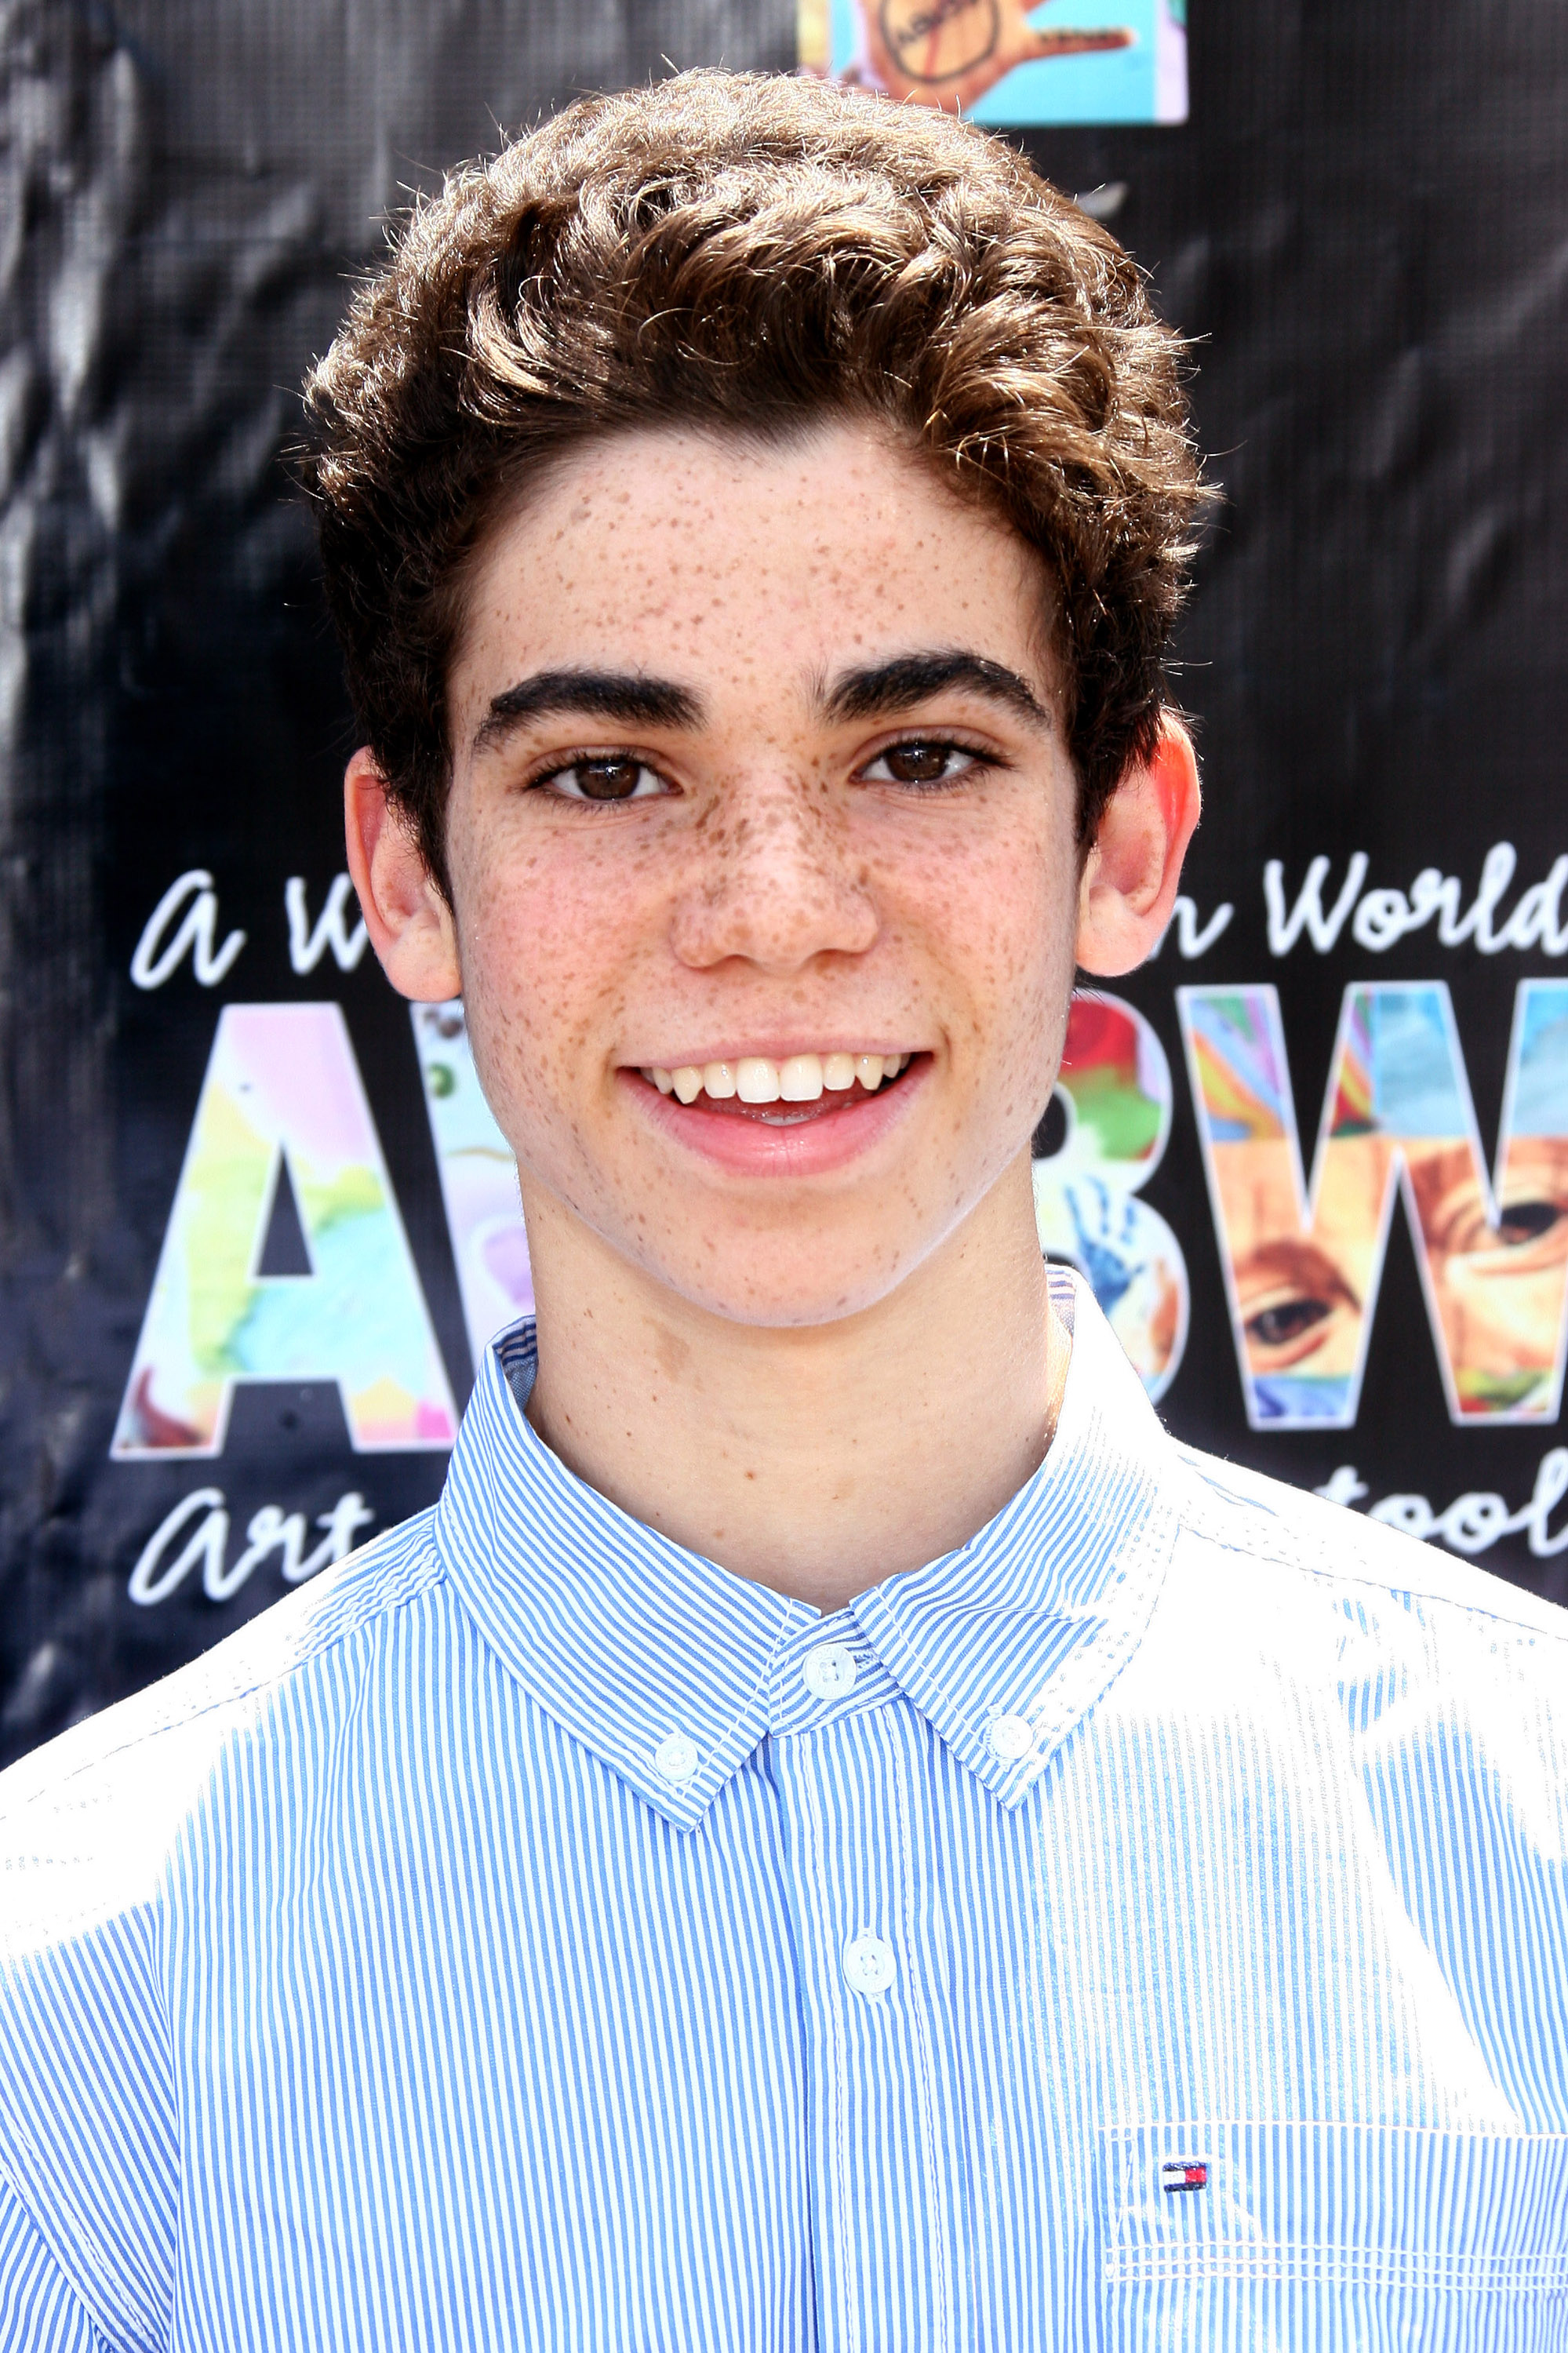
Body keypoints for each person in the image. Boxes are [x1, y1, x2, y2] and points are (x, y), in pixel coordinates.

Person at [2, 69, 1565, 2353]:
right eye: (607, 773)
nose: (772, 911)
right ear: (407, 877)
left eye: (917, 755)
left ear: (1124, 843)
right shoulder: (61, 2006)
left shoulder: (1534, 1855)